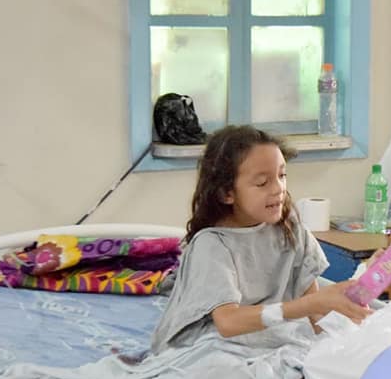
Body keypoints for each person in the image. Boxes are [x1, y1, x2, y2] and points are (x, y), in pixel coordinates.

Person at [151, 124, 369, 352]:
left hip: (277, 338)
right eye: (262, 183)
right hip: (221, 345)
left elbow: (314, 313)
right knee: (231, 377)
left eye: (282, 175)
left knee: (328, 361)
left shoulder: (290, 229)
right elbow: (227, 323)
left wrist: (366, 281)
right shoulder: (212, 245)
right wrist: (308, 305)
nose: (278, 189)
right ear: (227, 193)